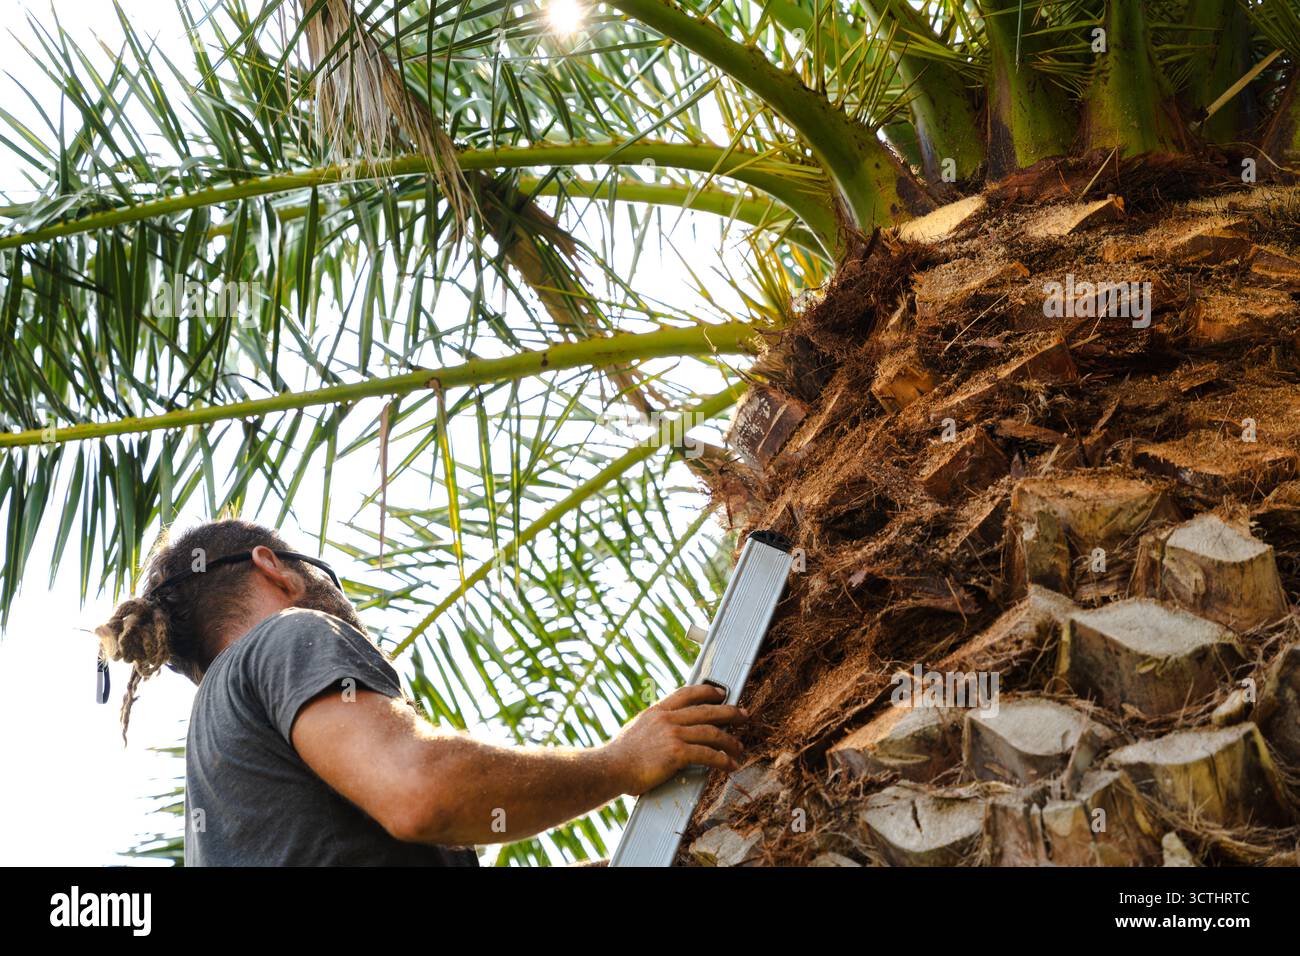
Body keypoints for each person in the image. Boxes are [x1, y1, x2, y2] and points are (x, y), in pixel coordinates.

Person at [95, 519, 747, 866]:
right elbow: (419, 794)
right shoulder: (286, 638)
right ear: (272, 568)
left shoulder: (225, 803)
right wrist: (620, 763)